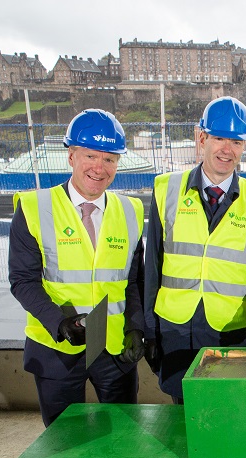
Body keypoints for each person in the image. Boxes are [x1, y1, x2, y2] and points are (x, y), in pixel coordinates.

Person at [8, 109, 145, 426]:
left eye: (110, 159)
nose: (100, 167)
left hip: (114, 348)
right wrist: (60, 323)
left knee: (123, 433)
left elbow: (134, 281)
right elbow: (23, 281)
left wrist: (136, 326)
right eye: (91, 156)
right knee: (64, 440)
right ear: (71, 156)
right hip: (56, 348)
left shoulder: (131, 210)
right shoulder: (34, 208)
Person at [143, 96, 246, 402]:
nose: (226, 150)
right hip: (176, 329)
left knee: (228, 410)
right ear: (201, 138)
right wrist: (149, 329)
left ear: (244, 147)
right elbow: (152, 266)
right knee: (181, 411)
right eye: (218, 138)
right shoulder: (166, 189)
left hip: (232, 330)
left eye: (236, 141)